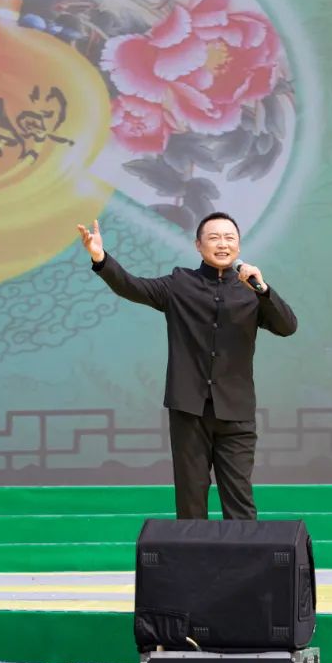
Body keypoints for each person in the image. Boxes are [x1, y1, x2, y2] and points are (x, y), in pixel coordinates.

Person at [78, 212, 297, 520]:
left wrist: (263, 290)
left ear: (238, 245)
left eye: (229, 238)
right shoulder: (179, 284)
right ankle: (194, 554)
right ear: (198, 245)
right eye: (214, 238)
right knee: (190, 498)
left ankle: (243, 553)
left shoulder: (252, 291)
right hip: (189, 410)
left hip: (236, 411)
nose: (222, 244)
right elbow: (133, 287)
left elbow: (287, 326)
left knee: (239, 500)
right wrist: (100, 258)